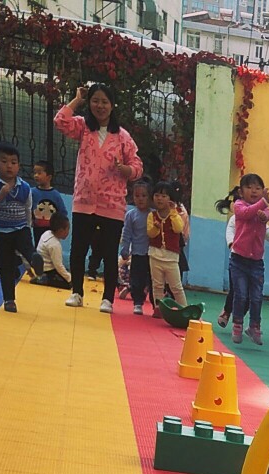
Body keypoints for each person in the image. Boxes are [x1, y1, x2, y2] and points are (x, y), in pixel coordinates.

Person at [53, 81, 141, 312]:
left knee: (109, 253)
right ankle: (76, 292)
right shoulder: (83, 128)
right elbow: (60, 121)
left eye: (104, 101)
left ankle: (107, 299)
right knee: (78, 250)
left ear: (112, 105)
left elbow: (137, 166)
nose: (100, 106)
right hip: (84, 201)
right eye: (95, 101)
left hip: (112, 204)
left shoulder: (122, 136)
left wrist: (126, 170)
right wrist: (77, 99)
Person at [223, 173, 269, 344]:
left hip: (256, 264)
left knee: (256, 297)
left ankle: (254, 326)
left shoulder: (264, 209)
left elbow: (268, 224)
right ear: (241, 192)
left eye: (258, 188)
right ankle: (237, 324)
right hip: (238, 261)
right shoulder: (239, 206)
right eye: (249, 187)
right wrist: (263, 202)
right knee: (239, 294)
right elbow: (246, 214)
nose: (254, 191)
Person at [0, 142, 43, 312]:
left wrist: (28, 226)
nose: (9, 166)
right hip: (1, 232)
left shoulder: (24, 187)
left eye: (13, 162)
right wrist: (0, 195)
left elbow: (28, 208)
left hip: (21, 227)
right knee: (7, 266)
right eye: (4, 161)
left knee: (27, 247)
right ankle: (9, 300)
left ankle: (34, 259)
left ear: (19, 166)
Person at [145, 180, 187, 312]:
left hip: (171, 257)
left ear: (170, 199)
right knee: (157, 285)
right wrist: (156, 228)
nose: (159, 199)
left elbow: (178, 228)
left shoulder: (176, 215)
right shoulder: (152, 215)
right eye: (157, 195)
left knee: (176, 287)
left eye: (164, 196)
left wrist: (173, 212)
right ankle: (158, 308)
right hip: (155, 255)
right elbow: (150, 233)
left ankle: (184, 308)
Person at [118, 176, 152, 313]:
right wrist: (125, 248)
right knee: (136, 279)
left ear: (149, 197)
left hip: (152, 254)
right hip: (137, 253)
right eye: (137, 196)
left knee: (150, 280)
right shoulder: (131, 215)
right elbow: (127, 233)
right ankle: (137, 302)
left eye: (144, 196)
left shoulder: (153, 215)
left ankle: (155, 303)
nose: (140, 199)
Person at [30, 160, 68, 243]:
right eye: (35, 173)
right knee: (39, 246)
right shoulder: (32, 192)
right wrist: (31, 219)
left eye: (39, 173)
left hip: (52, 229)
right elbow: (29, 207)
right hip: (38, 228)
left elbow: (63, 212)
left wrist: (61, 226)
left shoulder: (55, 194)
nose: (36, 175)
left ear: (49, 177)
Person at [36, 217, 71, 287]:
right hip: (48, 271)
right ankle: (45, 279)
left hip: (42, 267)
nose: (68, 232)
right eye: (67, 229)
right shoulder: (55, 244)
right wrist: (69, 278)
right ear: (61, 231)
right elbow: (58, 265)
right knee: (67, 284)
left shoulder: (47, 233)